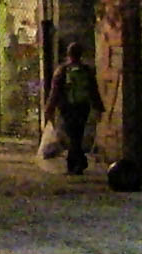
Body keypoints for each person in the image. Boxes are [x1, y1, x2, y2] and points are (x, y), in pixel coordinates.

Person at [44, 42, 106, 175]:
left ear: (68, 54)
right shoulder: (87, 70)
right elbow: (93, 90)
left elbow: (55, 92)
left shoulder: (62, 70)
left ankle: (76, 163)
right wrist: (99, 107)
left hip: (67, 108)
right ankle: (78, 162)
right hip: (83, 107)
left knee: (73, 136)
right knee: (77, 134)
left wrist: (49, 108)